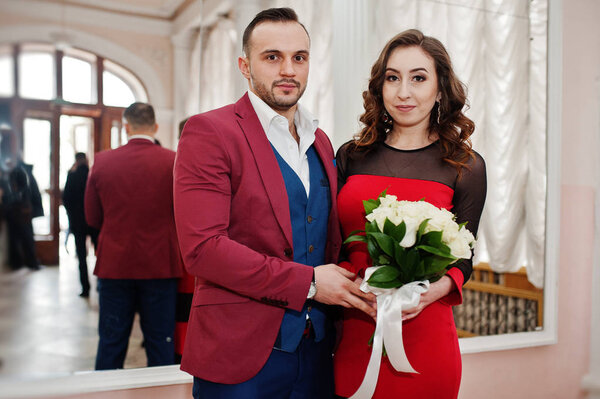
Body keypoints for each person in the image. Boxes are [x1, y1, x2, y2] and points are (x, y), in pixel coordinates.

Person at [174, 7, 376, 399]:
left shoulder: (321, 142)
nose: (288, 69)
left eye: (299, 57)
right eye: (273, 57)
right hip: (239, 355)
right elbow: (203, 250)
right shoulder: (210, 131)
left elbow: (325, 235)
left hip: (317, 350)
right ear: (245, 66)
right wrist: (312, 283)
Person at [333, 29, 487, 399]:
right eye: (393, 78)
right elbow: (332, 245)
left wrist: (434, 292)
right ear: (380, 86)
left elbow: (465, 255)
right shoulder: (351, 156)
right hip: (356, 322)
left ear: (440, 89)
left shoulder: (465, 166)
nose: (404, 92)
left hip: (425, 327)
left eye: (418, 78)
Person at [85, 102, 184, 370]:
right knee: (160, 343)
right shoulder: (174, 161)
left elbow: (92, 217)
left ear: (126, 127)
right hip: (161, 265)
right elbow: (185, 214)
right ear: (155, 127)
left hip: (115, 264)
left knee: (111, 342)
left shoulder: (103, 161)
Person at [62, 152, 98, 298]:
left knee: (81, 257)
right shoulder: (92, 175)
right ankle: (101, 284)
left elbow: (66, 199)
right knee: (100, 254)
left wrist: (72, 217)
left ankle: (85, 288)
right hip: (94, 222)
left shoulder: (72, 176)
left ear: (76, 161)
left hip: (78, 222)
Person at [4, 159, 40, 271]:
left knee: (23, 238)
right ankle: (25, 262)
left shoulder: (19, 173)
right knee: (22, 238)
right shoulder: (21, 172)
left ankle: (23, 262)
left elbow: (22, 192)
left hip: (19, 210)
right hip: (19, 211)